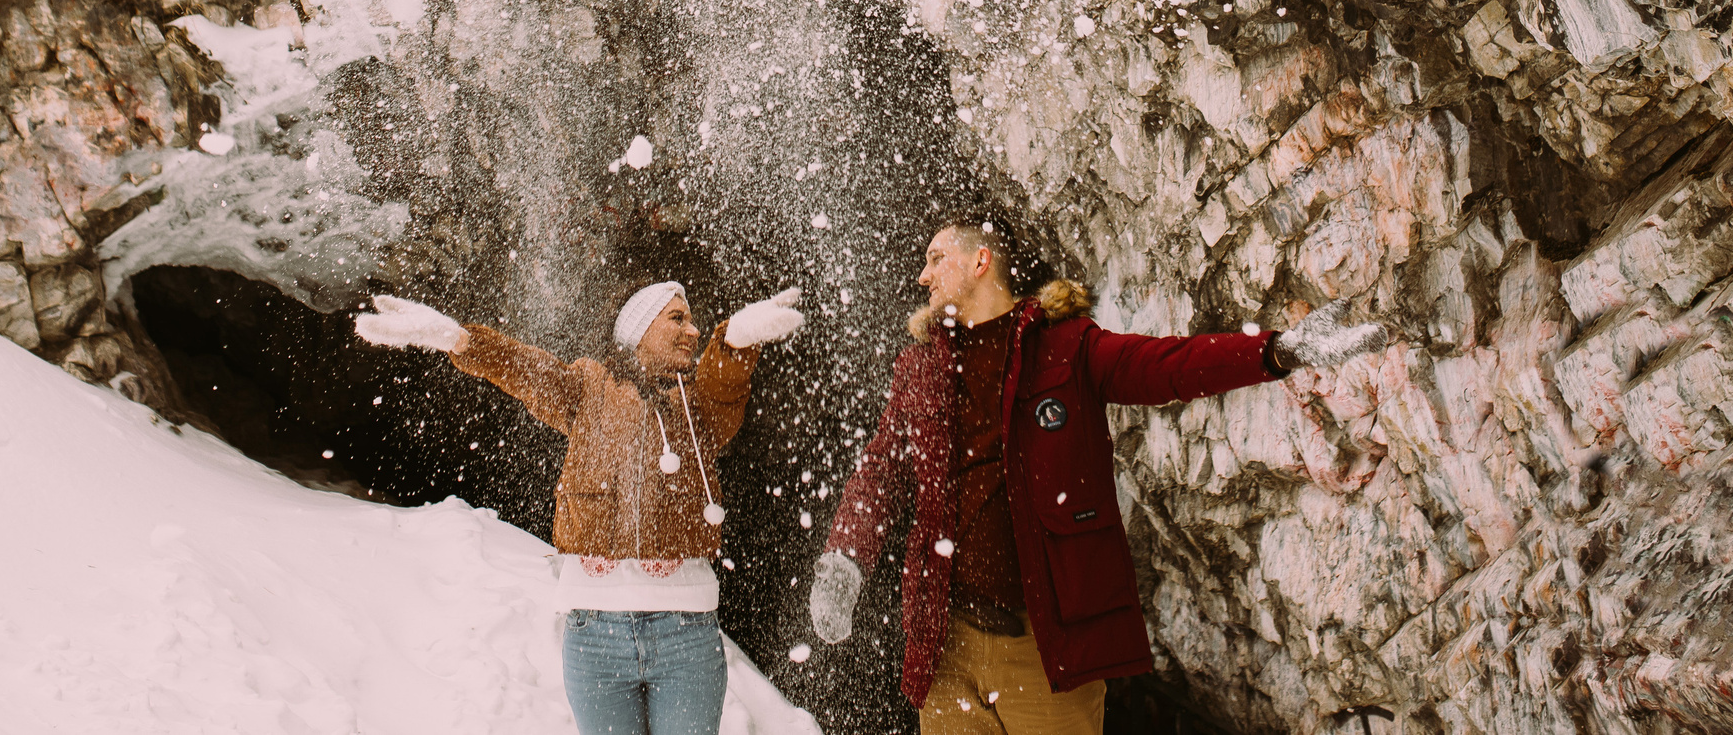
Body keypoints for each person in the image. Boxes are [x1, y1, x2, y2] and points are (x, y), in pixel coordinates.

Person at [806, 215, 1386, 734]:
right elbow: (878, 472)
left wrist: (1275, 352)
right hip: (947, 645)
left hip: (1045, 651)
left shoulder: (1065, 348)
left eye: (937, 259)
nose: (923, 278)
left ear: (981, 262)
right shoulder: (920, 367)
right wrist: (843, 557)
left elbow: (1167, 367)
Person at [355, 278, 805, 735]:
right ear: (640, 327)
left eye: (692, 321)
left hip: (685, 636)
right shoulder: (588, 387)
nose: (692, 330)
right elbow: (527, 372)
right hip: (594, 640)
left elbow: (723, 385)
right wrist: (460, 340)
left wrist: (734, 341)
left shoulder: (699, 407)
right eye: (677, 318)